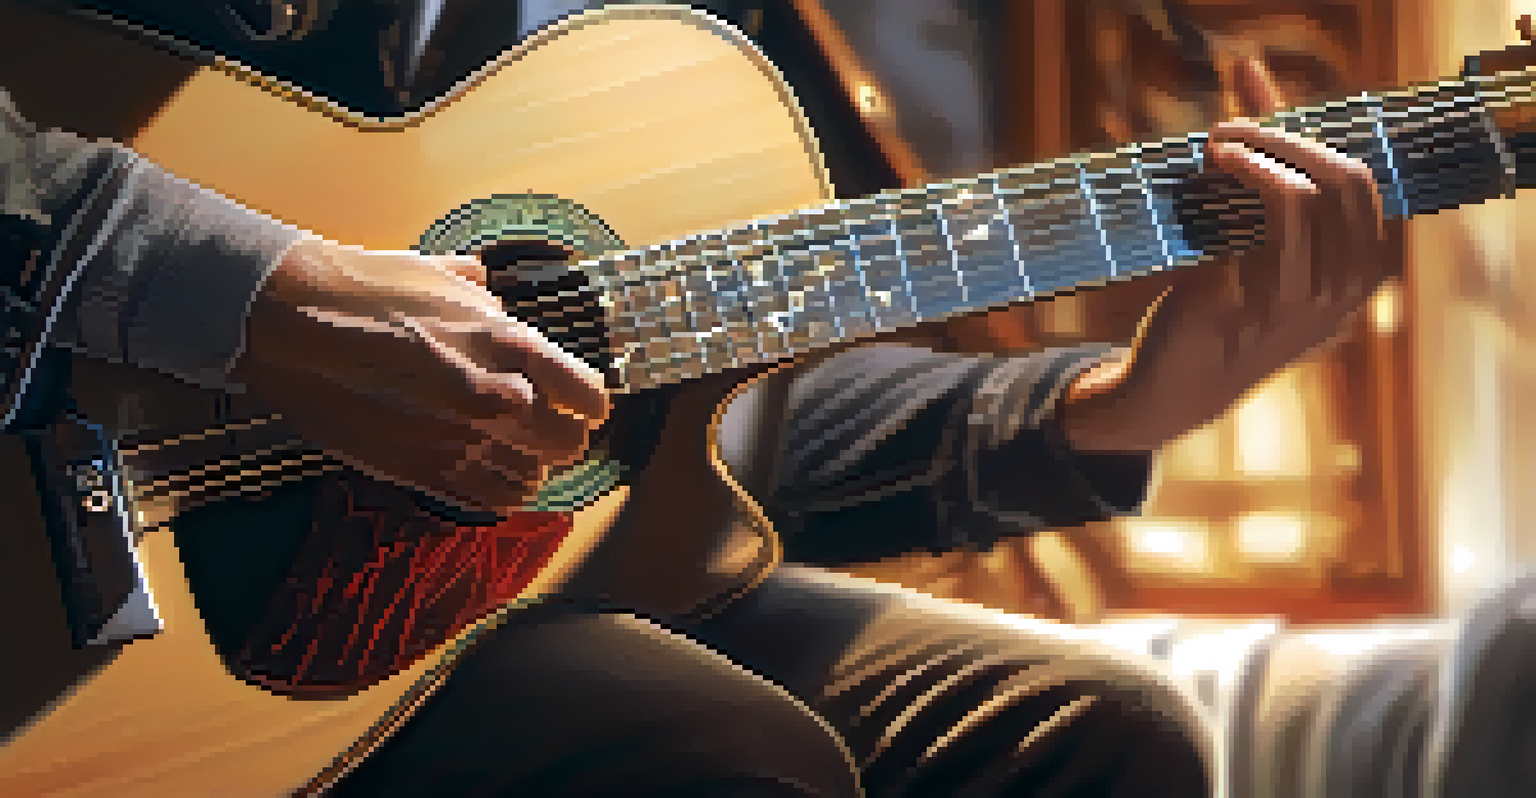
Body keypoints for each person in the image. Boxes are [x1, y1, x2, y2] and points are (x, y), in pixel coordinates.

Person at [0, 2, 1517, 797]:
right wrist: (251, 297)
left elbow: (677, 362)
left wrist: (1112, 407)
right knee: (728, 760)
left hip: (463, 581)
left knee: (1090, 736)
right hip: (92, 599)